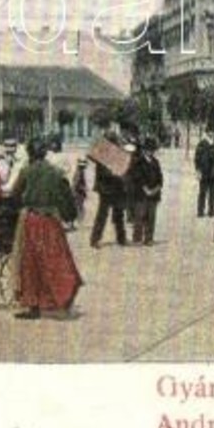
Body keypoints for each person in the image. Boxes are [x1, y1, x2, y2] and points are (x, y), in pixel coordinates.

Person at [7, 138, 83, 320]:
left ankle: (33, 305)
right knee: (57, 261)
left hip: (31, 221)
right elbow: (67, 198)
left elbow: (15, 195)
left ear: (31, 153)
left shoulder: (26, 171)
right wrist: (69, 216)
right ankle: (62, 299)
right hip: (51, 222)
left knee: (30, 264)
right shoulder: (56, 173)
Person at [89, 128, 129, 248]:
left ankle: (120, 238)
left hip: (114, 187)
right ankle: (96, 239)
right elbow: (103, 170)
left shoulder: (116, 152)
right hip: (106, 188)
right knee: (104, 214)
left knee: (116, 214)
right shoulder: (102, 153)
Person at [129, 137, 164, 245]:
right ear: (144, 150)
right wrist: (146, 189)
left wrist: (156, 189)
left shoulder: (156, 162)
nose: (151, 152)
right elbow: (137, 177)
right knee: (140, 216)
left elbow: (160, 178)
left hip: (154, 194)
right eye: (149, 150)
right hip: (141, 194)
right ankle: (137, 238)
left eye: (152, 150)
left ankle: (149, 238)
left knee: (151, 217)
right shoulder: (138, 162)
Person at [193, 129, 214, 217]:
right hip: (204, 171)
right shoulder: (202, 143)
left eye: (213, 131)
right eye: (210, 131)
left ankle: (211, 211)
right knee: (202, 192)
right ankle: (200, 211)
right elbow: (197, 158)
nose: (212, 133)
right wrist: (197, 170)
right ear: (207, 132)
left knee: (213, 193)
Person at [70, 158, 90, 231]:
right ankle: (77, 224)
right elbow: (77, 184)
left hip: (77, 193)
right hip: (78, 193)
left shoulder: (79, 172)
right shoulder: (79, 173)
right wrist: (84, 188)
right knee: (79, 209)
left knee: (78, 209)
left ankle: (75, 224)